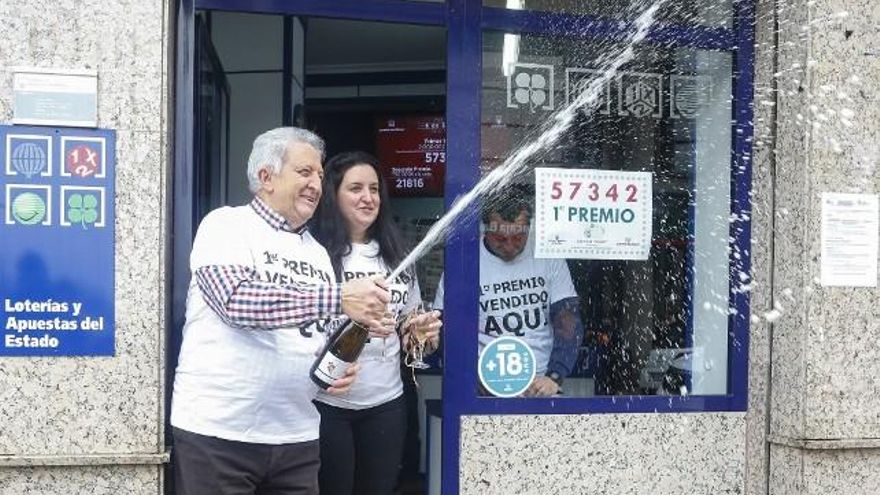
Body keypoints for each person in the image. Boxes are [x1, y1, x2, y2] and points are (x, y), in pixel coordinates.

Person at [170, 128, 391, 495]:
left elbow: (316, 334)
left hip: (297, 435)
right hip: (218, 433)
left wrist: (340, 360)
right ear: (265, 177)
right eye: (304, 172)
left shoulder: (317, 252)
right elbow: (235, 302)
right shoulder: (226, 225)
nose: (316, 184)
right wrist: (339, 298)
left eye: (320, 175)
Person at [311, 151, 442, 495]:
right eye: (355, 188)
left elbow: (408, 324)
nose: (368, 197)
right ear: (332, 194)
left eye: (374, 189)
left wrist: (420, 331)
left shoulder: (397, 254)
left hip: (387, 401)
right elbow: (299, 321)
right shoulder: (312, 253)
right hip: (326, 403)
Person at [434, 189, 584, 396]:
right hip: (483, 386)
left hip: (540, 384)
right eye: (500, 238)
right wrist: (471, 377)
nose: (510, 246)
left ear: (529, 228)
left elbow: (568, 322)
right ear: (484, 229)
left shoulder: (548, 255)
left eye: (518, 237)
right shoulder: (463, 263)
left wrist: (554, 377)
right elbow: (446, 333)